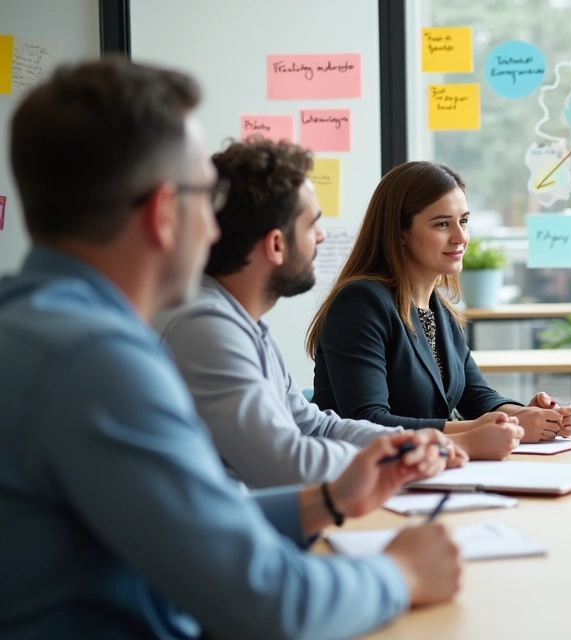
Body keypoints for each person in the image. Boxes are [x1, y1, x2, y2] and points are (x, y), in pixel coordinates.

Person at [0, 59, 462, 639]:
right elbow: (269, 603)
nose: (218, 227)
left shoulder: (32, 323)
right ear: (163, 211)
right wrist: (401, 573)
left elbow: (186, 522)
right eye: (206, 193)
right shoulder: (98, 362)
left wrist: (328, 499)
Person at [157, 137, 468, 488]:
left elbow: (316, 425)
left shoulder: (245, 324)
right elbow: (286, 462)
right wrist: (401, 456)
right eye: (311, 225)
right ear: (276, 244)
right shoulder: (206, 329)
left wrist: (409, 442)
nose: (321, 236)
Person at [308, 161, 571, 459]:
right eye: (442, 224)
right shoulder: (361, 302)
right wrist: (476, 432)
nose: (460, 237)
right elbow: (367, 422)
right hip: (360, 482)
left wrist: (531, 416)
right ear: (399, 232)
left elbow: (478, 397)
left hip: (422, 475)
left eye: (463, 221)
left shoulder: (440, 310)